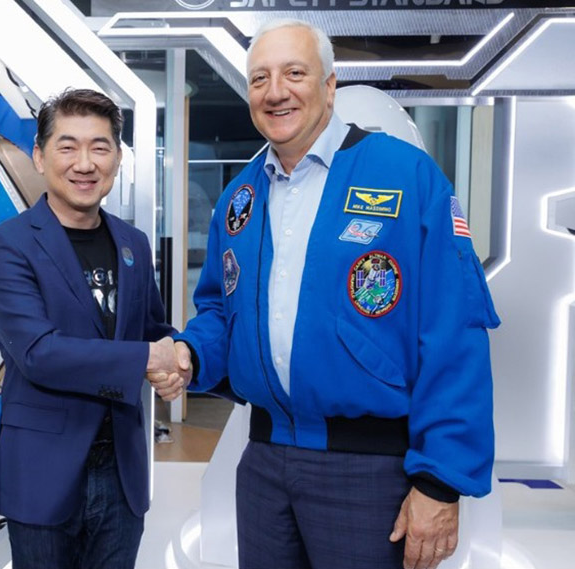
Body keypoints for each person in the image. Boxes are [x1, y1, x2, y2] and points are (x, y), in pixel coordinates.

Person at [169, 19, 501, 569]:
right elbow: (220, 314)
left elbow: (455, 331)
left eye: (294, 73)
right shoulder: (240, 197)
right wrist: (190, 352)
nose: (275, 92)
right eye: (259, 79)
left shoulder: (406, 176)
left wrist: (440, 483)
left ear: (329, 86)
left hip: (370, 470)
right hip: (264, 465)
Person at [0, 88, 182, 569]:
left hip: (123, 471)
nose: (85, 163)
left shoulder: (133, 243)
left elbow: (151, 328)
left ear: (118, 159)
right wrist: (148, 359)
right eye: (68, 147)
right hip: (43, 470)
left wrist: (179, 352)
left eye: (100, 147)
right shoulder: (6, 245)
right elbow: (39, 353)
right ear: (40, 156)